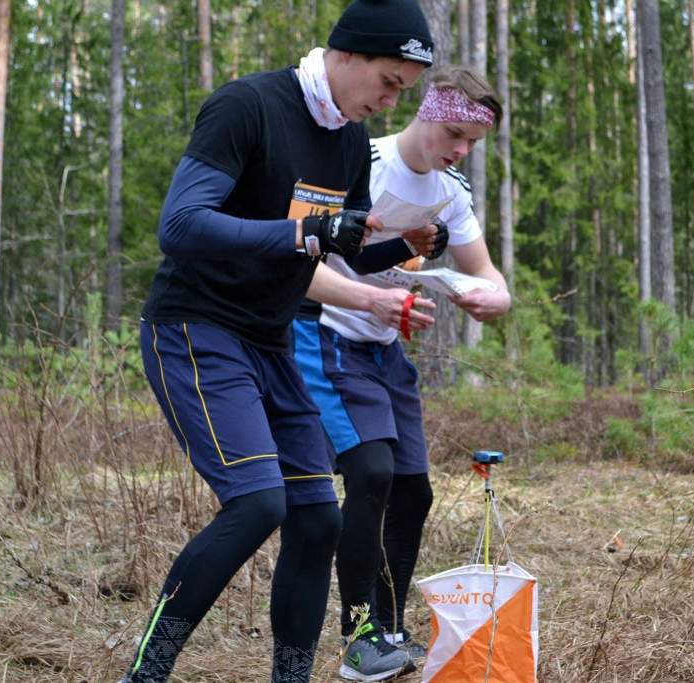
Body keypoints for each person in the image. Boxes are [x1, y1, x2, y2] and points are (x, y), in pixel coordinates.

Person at [120, 2, 438, 681]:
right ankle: (146, 670)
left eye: (401, 92)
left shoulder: (348, 143)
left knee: (318, 515)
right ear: (348, 53)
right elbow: (180, 225)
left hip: (272, 340)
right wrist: (309, 232)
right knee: (260, 501)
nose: (388, 102)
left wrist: (392, 250)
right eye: (387, 82)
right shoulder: (248, 106)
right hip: (194, 329)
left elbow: (322, 256)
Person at [292, 66, 512, 682]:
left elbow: (488, 276)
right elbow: (300, 250)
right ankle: (358, 636)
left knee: (413, 491)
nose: (459, 149)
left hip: (386, 352)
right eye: (452, 133)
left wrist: (492, 298)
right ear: (424, 114)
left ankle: (387, 630)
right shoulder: (362, 160)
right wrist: (365, 299)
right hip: (327, 334)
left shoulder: (452, 191)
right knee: (371, 472)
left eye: (472, 142)